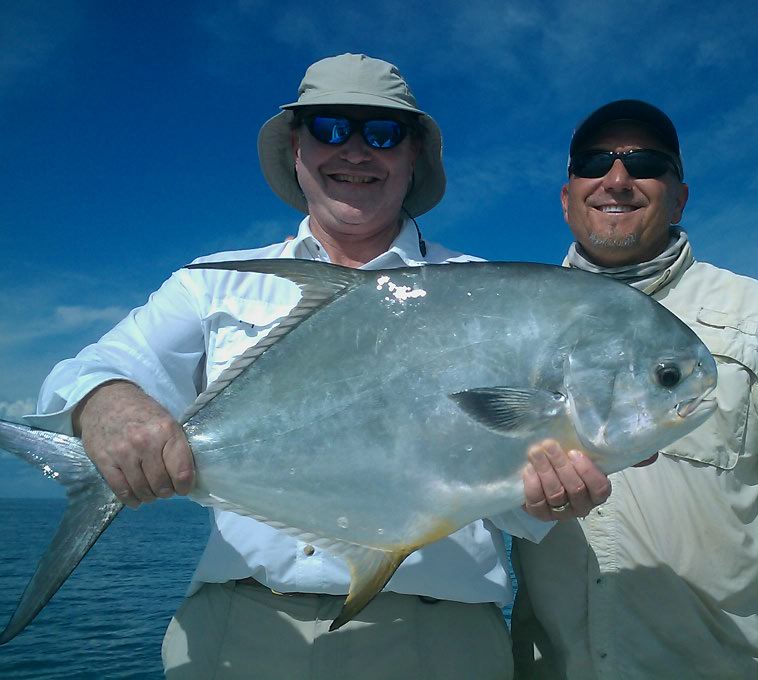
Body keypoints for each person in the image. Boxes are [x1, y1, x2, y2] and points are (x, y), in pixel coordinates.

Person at [23, 54, 589, 680]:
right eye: (328, 128)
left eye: (382, 132)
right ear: (296, 148)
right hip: (239, 632)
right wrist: (107, 404)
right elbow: (87, 370)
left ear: (414, 155)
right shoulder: (217, 284)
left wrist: (546, 496)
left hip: (439, 639)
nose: (355, 150)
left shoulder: (488, 293)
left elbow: (503, 501)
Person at [511, 100, 758, 680]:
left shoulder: (757, 317)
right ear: (567, 196)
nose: (617, 179)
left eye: (645, 162)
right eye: (596, 161)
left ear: (679, 196)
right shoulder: (514, 322)